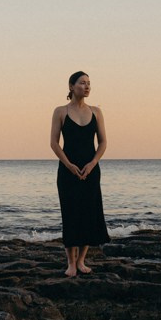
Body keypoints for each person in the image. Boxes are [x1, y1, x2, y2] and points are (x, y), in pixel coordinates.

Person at [50, 71, 109, 277]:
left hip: (91, 171)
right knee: (71, 214)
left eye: (89, 83)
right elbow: (54, 143)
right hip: (68, 172)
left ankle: (82, 261)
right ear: (71, 86)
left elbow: (102, 142)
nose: (87, 87)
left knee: (89, 214)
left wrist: (93, 163)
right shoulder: (60, 111)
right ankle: (71, 264)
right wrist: (68, 165)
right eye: (82, 83)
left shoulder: (96, 112)